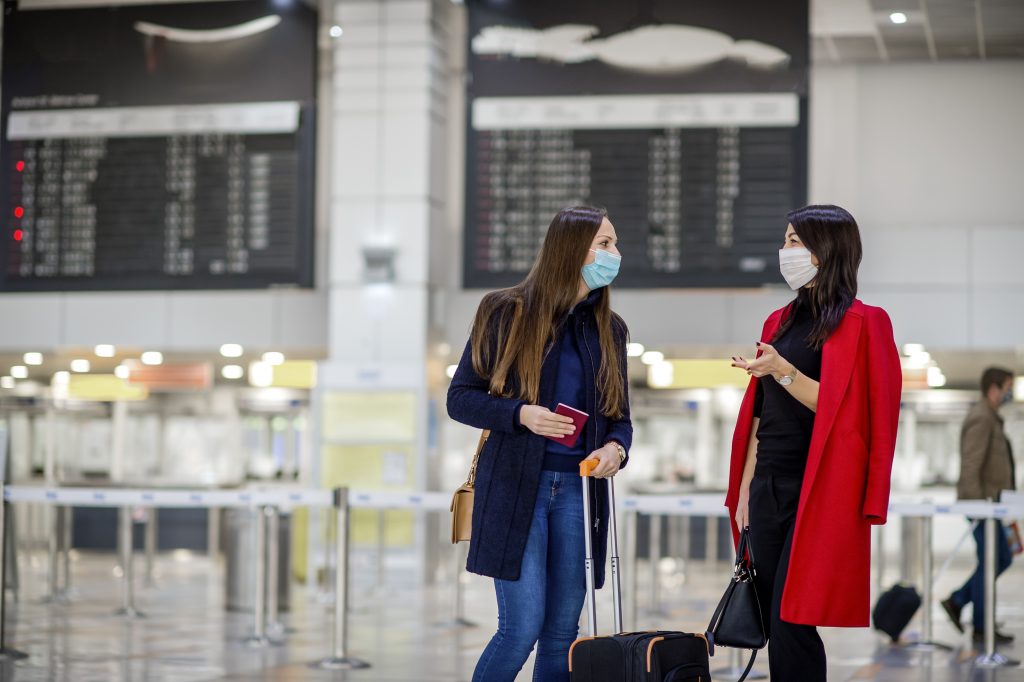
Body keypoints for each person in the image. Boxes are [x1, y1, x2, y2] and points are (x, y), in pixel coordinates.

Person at [447, 205, 632, 682]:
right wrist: (520, 413)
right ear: (572, 248)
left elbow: (620, 420)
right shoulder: (504, 311)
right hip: (515, 490)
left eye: (614, 244)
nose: (615, 254)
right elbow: (460, 398)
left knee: (561, 636)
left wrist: (616, 449)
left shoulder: (610, 330)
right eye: (605, 244)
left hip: (579, 491)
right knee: (520, 628)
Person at [727, 204, 902, 681]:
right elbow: (759, 415)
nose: (784, 251)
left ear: (827, 250)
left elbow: (854, 413)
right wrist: (744, 490)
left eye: (793, 241)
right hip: (769, 486)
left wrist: (784, 371)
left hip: (822, 489)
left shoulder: (867, 323)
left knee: (792, 615)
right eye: (785, 241)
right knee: (774, 613)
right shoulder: (777, 321)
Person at [941, 367, 1017, 644]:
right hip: (982, 506)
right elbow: (971, 464)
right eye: (1008, 386)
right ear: (994, 389)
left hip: (993, 505)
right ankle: (979, 623)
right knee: (994, 560)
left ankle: (961, 603)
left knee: (998, 559)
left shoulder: (992, 418)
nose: (1010, 392)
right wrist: (976, 508)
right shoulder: (982, 418)